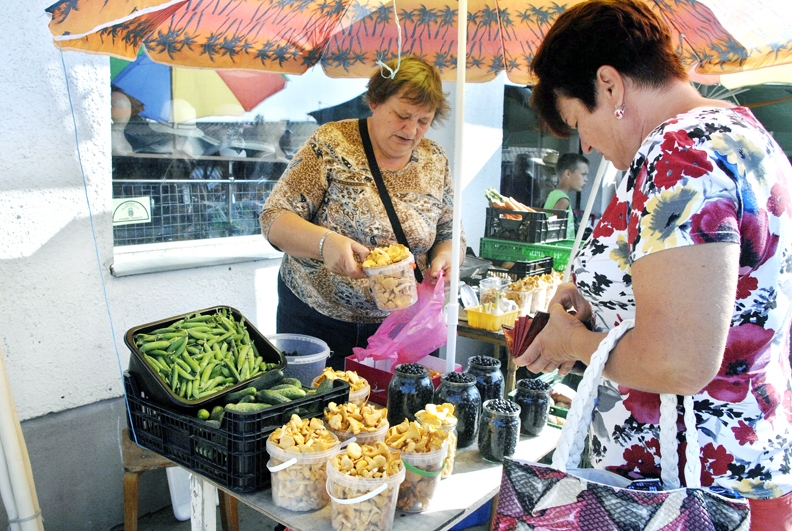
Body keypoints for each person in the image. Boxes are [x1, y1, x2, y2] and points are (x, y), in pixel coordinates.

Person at [517, 1, 792, 528]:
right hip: (742, 470)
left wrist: (572, 344)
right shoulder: (740, 134)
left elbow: (679, 361)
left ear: (610, 86)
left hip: (684, 496)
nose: (588, 145)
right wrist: (593, 296)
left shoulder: (679, 152)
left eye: (581, 122)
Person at [259, 56, 466, 371]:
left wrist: (447, 258)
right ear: (375, 101)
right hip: (318, 323)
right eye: (402, 115)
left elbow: (450, 231)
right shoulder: (332, 144)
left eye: (424, 120)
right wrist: (325, 243)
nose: (412, 130)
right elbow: (274, 218)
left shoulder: (434, 158)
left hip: (401, 326)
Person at [542, 152, 589, 238]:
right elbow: (552, 229)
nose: (586, 179)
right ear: (568, 173)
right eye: (583, 174)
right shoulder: (563, 200)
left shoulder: (554, 194)